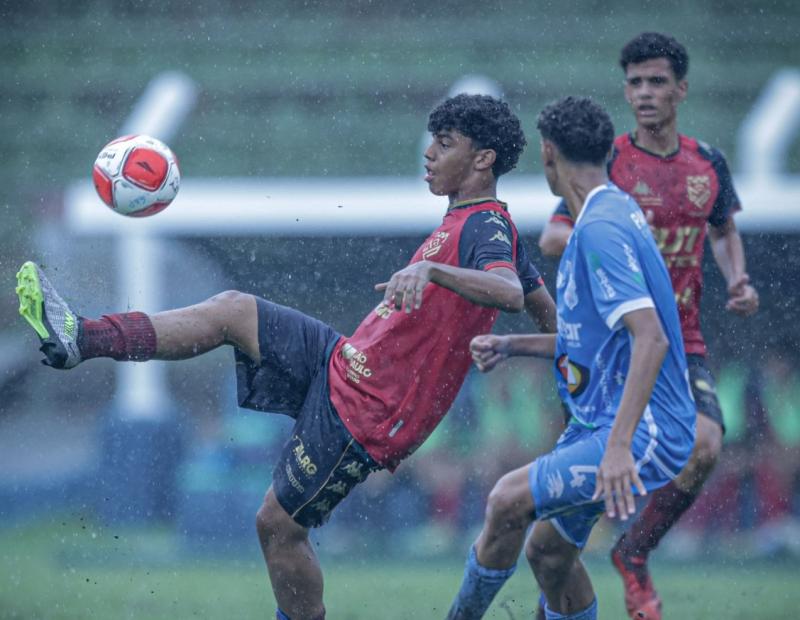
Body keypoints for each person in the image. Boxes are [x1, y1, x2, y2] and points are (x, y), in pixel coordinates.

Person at [15, 93, 556, 620]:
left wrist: (431, 271)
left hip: (370, 409)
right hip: (347, 361)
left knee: (277, 526)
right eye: (433, 141)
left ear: (483, 159)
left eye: (445, 143)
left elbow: (506, 290)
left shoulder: (485, 224)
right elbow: (538, 303)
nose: (429, 153)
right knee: (233, 310)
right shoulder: (477, 226)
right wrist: (578, 351)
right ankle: (80, 338)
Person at [445, 96, 696, 620]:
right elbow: (594, 341)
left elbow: (650, 338)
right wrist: (514, 346)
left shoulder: (600, 229)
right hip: (599, 425)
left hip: (640, 431)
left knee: (505, 500)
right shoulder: (614, 209)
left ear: (548, 154)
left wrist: (619, 448)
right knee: (549, 552)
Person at [537, 32, 759, 619]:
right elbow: (554, 234)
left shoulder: (707, 163)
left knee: (707, 444)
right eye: (634, 82)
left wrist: (738, 280)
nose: (644, 93)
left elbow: (722, 229)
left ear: (681, 89)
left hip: (680, 340)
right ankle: (550, 599)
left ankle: (634, 554)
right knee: (569, 524)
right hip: (614, 351)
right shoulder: (606, 160)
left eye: (656, 81)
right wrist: (621, 247)